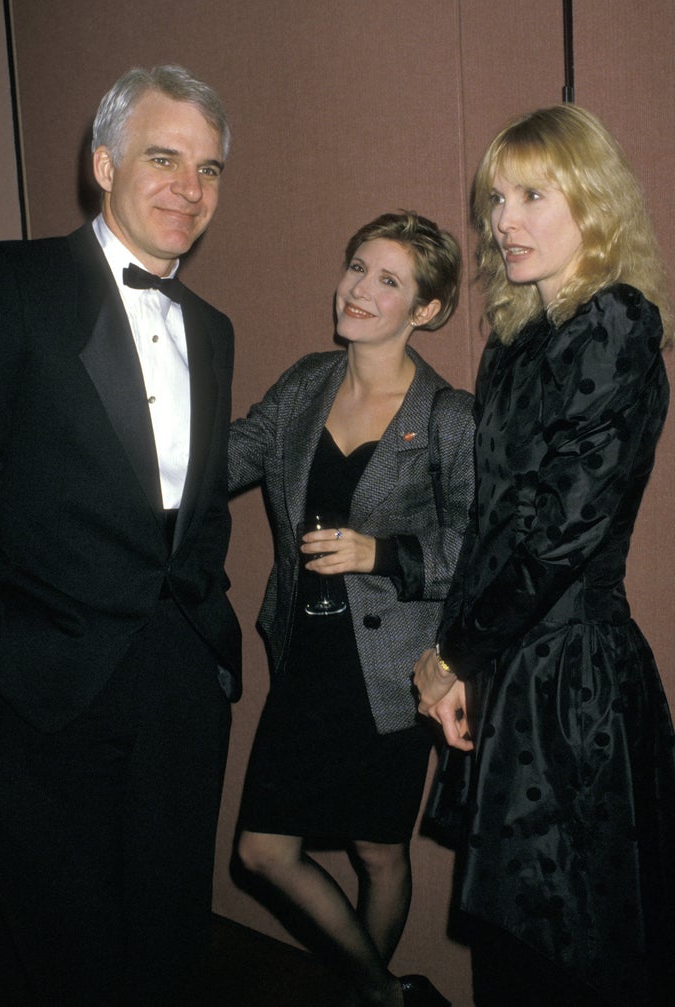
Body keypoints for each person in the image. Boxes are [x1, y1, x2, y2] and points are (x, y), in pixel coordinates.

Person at [0, 65, 241, 1005]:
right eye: (165, 157)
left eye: (207, 167)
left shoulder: (214, 327)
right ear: (104, 160)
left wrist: (211, 651)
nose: (188, 187)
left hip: (176, 683)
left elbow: (193, 513)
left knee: (167, 936)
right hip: (41, 684)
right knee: (55, 948)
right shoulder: (10, 280)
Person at [415, 105, 675, 1007]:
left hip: (574, 679)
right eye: (496, 198)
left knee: (574, 956)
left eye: (533, 194)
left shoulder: (617, 323)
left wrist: (457, 653)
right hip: (517, 666)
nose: (504, 220)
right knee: (517, 956)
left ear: (593, 204)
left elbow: (558, 535)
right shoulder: (517, 343)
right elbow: (493, 522)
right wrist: (459, 666)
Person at [229, 211, 474, 1007]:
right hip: (307, 658)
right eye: (356, 266)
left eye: (388, 280)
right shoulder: (306, 382)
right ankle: (383, 989)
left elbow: (477, 549)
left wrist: (380, 552)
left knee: (378, 850)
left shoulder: (447, 416)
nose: (359, 289)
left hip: (391, 675)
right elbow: (230, 454)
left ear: (426, 310)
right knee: (263, 850)